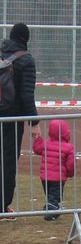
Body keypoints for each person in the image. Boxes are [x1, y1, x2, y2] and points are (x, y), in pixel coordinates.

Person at [0, 22, 41, 218]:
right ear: (26, 39)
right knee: (7, 162)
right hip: (12, 117)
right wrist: (34, 123)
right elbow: (26, 95)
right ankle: (2, 205)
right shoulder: (26, 60)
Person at [33, 118, 75, 220]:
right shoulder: (68, 147)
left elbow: (37, 149)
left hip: (45, 178)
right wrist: (70, 173)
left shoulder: (46, 144)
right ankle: (50, 211)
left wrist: (38, 139)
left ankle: (53, 209)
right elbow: (71, 164)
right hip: (58, 179)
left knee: (51, 196)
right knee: (54, 197)